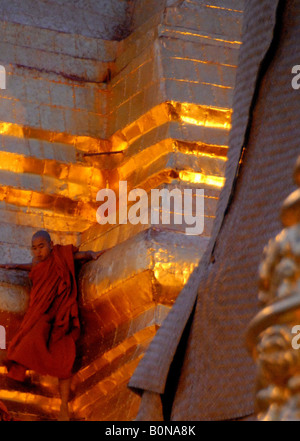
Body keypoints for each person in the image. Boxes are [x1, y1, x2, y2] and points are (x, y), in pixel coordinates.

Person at [0, 230, 107, 421]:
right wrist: (13, 265)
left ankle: (64, 406)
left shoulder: (60, 255)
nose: (38, 251)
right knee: (25, 343)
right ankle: (15, 360)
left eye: (41, 246)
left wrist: (91, 254)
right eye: (34, 248)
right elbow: (30, 267)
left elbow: (78, 256)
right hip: (38, 315)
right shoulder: (36, 262)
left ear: (51, 244)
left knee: (63, 356)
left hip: (58, 314)